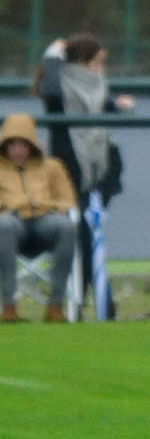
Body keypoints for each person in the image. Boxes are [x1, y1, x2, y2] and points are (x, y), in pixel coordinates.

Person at [34, 34, 134, 319]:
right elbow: (52, 91)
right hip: (69, 179)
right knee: (83, 241)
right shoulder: (59, 88)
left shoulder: (98, 90)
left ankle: (90, 304)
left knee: (91, 239)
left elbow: (99, 108)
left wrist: (119, 105)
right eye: (98, 62)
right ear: (82, 62)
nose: (102, 69)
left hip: (100, 177)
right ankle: (92, 304)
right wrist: (52, 55)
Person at [0, 113, 79, 323]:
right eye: (13, 145)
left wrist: (48, 207)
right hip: (11, 225)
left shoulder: (52, 166)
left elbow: (67, 200)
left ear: (32, 145)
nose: (18, 150)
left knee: (67, 226)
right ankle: (9, 306)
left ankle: (55, 306)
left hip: (44, 223)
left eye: (23, 145)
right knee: (4, 225)